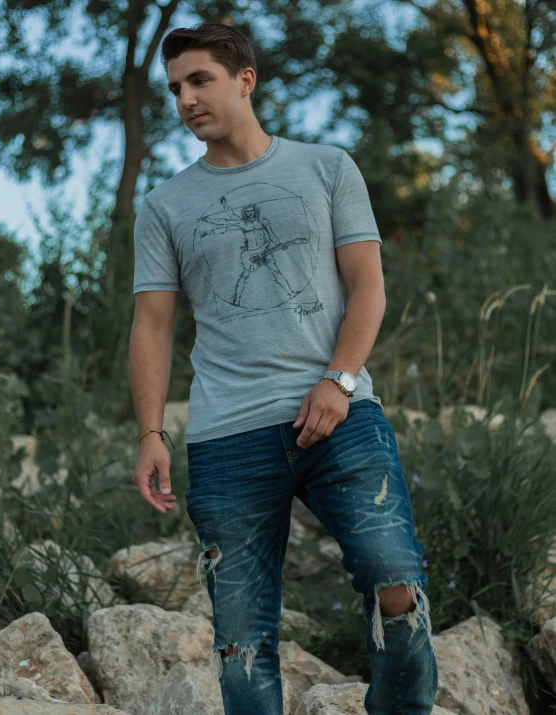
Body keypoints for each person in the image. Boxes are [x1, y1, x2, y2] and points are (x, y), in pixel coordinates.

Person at [129, 21, 438, 715]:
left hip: (341, 416)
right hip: (226, 437)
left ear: (246, 79)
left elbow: (369, 287)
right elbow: (151, 323)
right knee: (242, 646)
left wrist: (339, 379)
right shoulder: (165, 206)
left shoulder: (326, 167)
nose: (185, 100)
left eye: (199, 80)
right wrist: (151, 430)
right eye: (175, 88)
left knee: (395, 577)